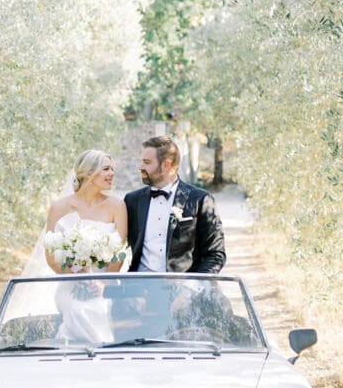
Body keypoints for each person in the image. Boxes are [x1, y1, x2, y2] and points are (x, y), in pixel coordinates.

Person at [43, 149, 127, 342]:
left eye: (112, 169)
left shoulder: (117, 206)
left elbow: (119, 254)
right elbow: (50, 255)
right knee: (77, 309)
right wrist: (76, 276)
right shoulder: (59, 207)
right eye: (106, 169)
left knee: (99, 309)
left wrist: (102, 282)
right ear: (88, 173)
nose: (112, 173)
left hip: (104, 285)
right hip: (70, 284)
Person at [124, 135, 226, 273]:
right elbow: (117, 246)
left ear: (166, 165)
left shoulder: (200, 200)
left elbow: (215, 254)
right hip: (139, 288)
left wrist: (192, 287)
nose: (140, 166)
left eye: (147, 162)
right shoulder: (132, 200)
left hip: (182, 289)